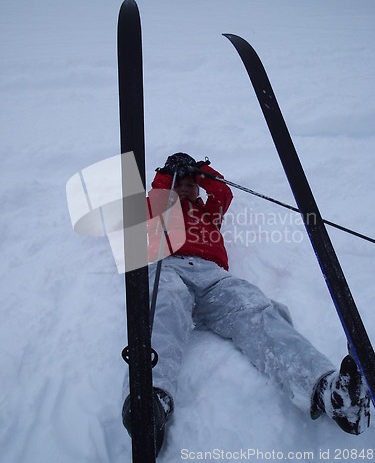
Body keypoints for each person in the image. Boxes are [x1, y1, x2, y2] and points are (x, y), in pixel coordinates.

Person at [122, 152, 370, 455]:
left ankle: (328, 392)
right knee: (162, 308)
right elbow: (149, 199)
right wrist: (168, 175)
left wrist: (200, 172)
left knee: (256, 310)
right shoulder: (158, 207)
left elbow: (223, 192)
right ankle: (150, 400)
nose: (186, 188)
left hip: (212, 276)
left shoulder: (208, 212)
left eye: (191, 184)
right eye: (181, 183)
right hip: (168, 266)